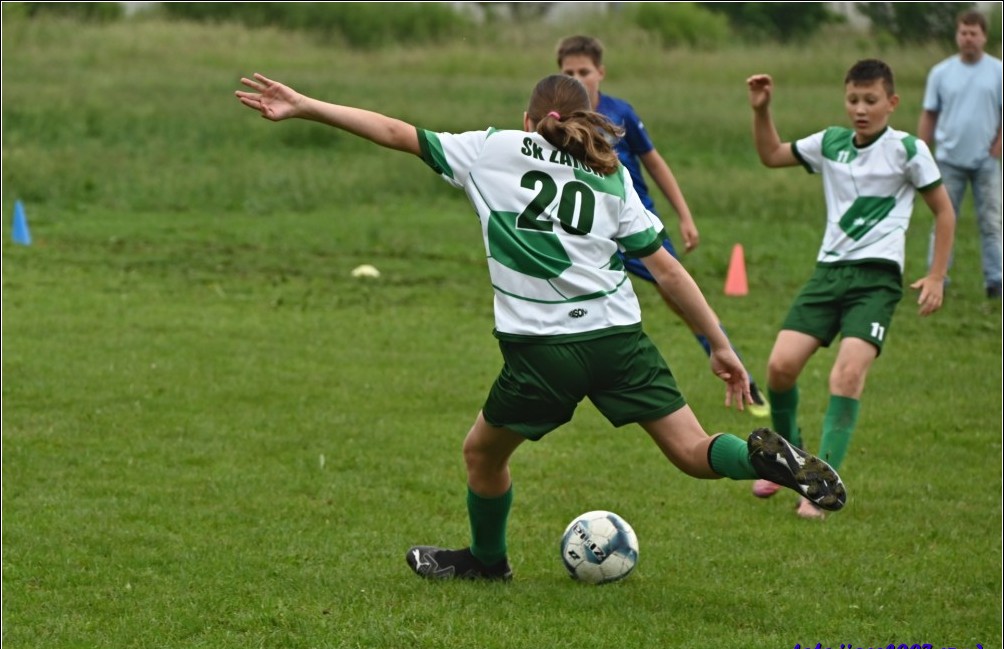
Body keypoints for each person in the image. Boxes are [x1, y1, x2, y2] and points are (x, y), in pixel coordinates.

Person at [235, 72, 847, 580]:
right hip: (618, 339)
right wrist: (720, 345)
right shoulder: (610, 173)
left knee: (482, 454)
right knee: (692, 451)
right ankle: (763, 461)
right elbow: (667, 271)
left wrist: (306, 105)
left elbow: (396, 132)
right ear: (584, 118)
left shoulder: (491, 149)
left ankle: (486, 562)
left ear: (529, 119)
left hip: (544, 351)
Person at [746, 59, 955, 519]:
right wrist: (762, 110)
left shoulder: (908, 149)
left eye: (871, 101)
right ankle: (790, 462)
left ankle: (818, 492)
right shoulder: (831, 143)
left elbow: (943, 211)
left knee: (846, 376)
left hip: (876, 281)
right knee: (780, 368)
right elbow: (771, 155)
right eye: (854, 100)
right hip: (828, 275)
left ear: (891, 103)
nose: (861, 109)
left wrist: (937, 274)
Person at [556, 35, 771, 418]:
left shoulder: (620, 113)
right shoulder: (555, 121)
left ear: (600, 72)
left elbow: (655, 163)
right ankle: (567, 380)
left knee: (681, 299)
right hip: (588, 234)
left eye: (584, 71)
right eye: (568, 72)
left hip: (636, 229)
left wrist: (685, 215)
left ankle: (738, 373)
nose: (577, 78)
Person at [917, 9, 1003, 299]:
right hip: (948, 160)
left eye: (973, 34)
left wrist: (997, 147)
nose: (968, 39)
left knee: (991, 222)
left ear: (984, 37)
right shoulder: (941, 73)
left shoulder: (998, 71)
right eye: (963, 33)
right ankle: (937, 278)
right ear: (957, 35)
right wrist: (921, 150)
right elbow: (930, 113)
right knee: (943, 219)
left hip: (985, 161)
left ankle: (996, 281)